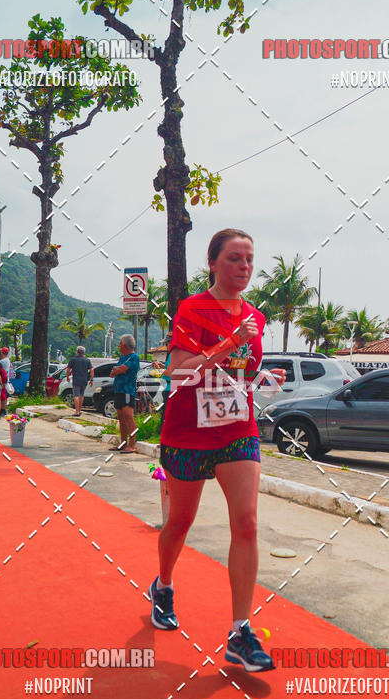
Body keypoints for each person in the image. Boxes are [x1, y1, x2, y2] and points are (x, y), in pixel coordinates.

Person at [148, 229, 286, 673]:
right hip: (187, 429)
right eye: (233, 259)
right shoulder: (192, 309)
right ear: (212, 263)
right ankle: (164, 584)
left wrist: (262, 379)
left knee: (246, 523)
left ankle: (240, 632)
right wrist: (228, 342)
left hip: (237, 429)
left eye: (249, 259)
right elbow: (179, 371)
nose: (243, 267)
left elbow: (240, 371)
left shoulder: (256, 317)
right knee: (180, 523)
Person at [109, 334, 140, 453]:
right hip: (119, 390)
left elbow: (121, 369)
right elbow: (113, 372)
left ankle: (131, 445)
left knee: (129, 417)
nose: (119, 346)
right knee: (121, 418)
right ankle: (123, 443)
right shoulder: (122, 358)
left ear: (125, 345)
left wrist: (118, 370)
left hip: (127, 391)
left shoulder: (133, 357)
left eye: (120, 343)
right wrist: (117, 370)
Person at [66, 346, 94, 417]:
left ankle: (77, 412)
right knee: (81, 395)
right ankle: (80, 410)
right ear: (84, 352)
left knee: (76, 395)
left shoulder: (73, 360)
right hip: (84, 380)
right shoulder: (87, 360)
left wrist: (67, 377)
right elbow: (91, 370)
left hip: (76, 380)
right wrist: (91, 379)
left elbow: (68, 369)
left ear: (77, 352)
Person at [0, 347, 15, 417]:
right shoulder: (7, 360)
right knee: (3, 396)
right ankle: (2, 409)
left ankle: (3, 410)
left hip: (3, 380)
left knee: (3, 396)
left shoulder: (2, 361)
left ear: (2, 353)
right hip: (5, 380)